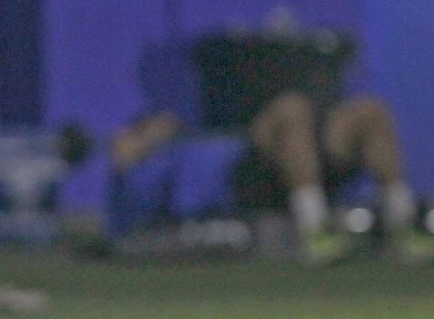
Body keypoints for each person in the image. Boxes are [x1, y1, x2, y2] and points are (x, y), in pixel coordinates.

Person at [111, 93, 434, 264]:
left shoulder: (189, 133)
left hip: (303, 165)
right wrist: (145, 139)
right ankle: (315, 232)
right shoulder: (151, 158)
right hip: (247, 179)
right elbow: (122, 163)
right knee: (291, 110)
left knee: (371, 111)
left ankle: (402, 224)